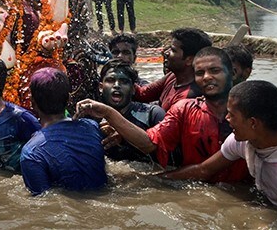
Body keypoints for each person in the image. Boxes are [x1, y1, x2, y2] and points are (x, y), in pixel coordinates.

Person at [78, 47, 249, 183]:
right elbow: (149, 143)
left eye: (215, 70)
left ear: (232, 73)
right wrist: (109, 113)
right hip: (195, 195)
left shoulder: (252, 107)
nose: (206, 77)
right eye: (199, 73)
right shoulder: (183, 109)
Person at [163, 80, 277, 208]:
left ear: (253, 123)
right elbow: (203, 170)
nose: (227, 118)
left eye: (232, 114)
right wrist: (155, 180)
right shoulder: (242, 142)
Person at [20, 67, 107, 195]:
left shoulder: (31, 153)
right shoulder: (91, 127)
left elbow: (42, 204)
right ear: (69, 99)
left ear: (33, 103)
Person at [97, 60, 165, 162]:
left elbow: (169, 157)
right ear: (101, 87)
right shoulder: (92, 117)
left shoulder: (152, 114)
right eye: (110, 80)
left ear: (133, 89)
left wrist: (126, 138)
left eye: (124, 81)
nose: (116, 85)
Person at [135, 28, 211, 111]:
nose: (166, 53)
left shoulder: (188, 98)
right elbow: (142, 94)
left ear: (189, 60)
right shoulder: (173, 76)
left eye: (173, 50)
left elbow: (165, 124)